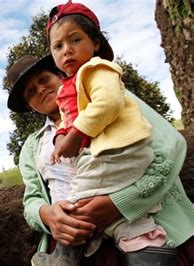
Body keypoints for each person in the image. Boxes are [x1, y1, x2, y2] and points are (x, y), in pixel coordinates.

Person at [6, 54, 194, 265]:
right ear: (30, 106)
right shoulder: (32, 146)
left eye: (43, 79)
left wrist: (118, 204)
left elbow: (171, 146)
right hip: (76, 251)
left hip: (148, 232)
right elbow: (32, 199)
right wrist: (48, 216)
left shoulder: (104, 98)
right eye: (31, 92)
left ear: (59, 76)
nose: (40, 89)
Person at [36, 1, 168, 263]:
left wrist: (74, 135)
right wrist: (61, 134)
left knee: (79, 198)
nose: (68, 51)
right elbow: (69, 118)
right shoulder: (69, 89)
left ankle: (64, 257)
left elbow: (107, 103)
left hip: (118, 149)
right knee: (96, 200)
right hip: (110, 156)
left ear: (95, 42)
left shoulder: (96, 69)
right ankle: (149, 249)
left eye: (75, 40)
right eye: (58, 46)